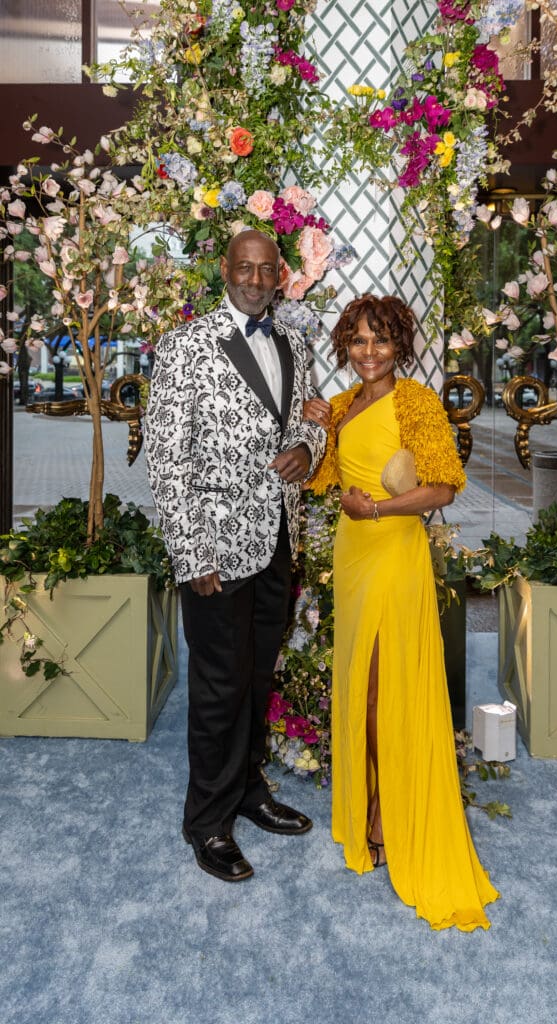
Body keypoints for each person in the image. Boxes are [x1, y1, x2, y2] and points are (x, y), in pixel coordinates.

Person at [308, 294, 499, 930]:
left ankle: (388, 811)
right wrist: (313, 426)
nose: (369, 352)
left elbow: (443, 486)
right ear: (345, 346)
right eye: (358, 341)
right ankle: (368, 803)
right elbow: (322, 476)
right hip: (354, 556)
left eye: (381, 341)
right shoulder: (339, 406)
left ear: (400, 347)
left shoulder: (416, 401)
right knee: (358, 683)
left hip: (392, 551)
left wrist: (382, 511)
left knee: (380, 689)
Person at [145, 229, 326, 883]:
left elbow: (310, 420)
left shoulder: (295, 343)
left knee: (256, 676)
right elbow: (167, 458)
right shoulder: (185, 345)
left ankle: (248, 792)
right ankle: (208, 822)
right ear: (224, 270)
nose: (253, 278)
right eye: (242, 267)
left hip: (277, 537)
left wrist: (310, 449)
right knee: (219, 687)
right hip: (216, 550)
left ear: (280, 276)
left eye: (264, 269)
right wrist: (192, 555)